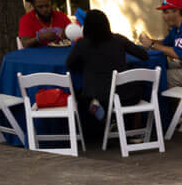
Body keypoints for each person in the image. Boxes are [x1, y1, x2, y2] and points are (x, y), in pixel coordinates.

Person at [64, 9, 152, 147]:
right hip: (123, 95)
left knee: (82, 97)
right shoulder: (119, 39)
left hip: (96, 95)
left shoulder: (83, 44)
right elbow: (144, 55)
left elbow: (69, 64)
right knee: (138, 86)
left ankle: (104, 119)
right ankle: (133, 132)